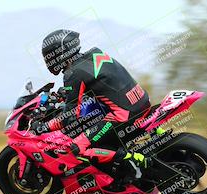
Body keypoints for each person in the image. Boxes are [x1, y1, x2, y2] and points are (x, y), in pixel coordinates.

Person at [35, 29, 152, 179]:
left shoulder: (72, 74)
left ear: (59, 53)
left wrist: (45, 126)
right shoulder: (95, 54)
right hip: (142, 102)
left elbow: (69, 118)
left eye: (48, 55)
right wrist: (67, 93)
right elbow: (103, 82)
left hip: (123, 115)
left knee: (77, 148)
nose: (48, 60)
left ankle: (134, 158)